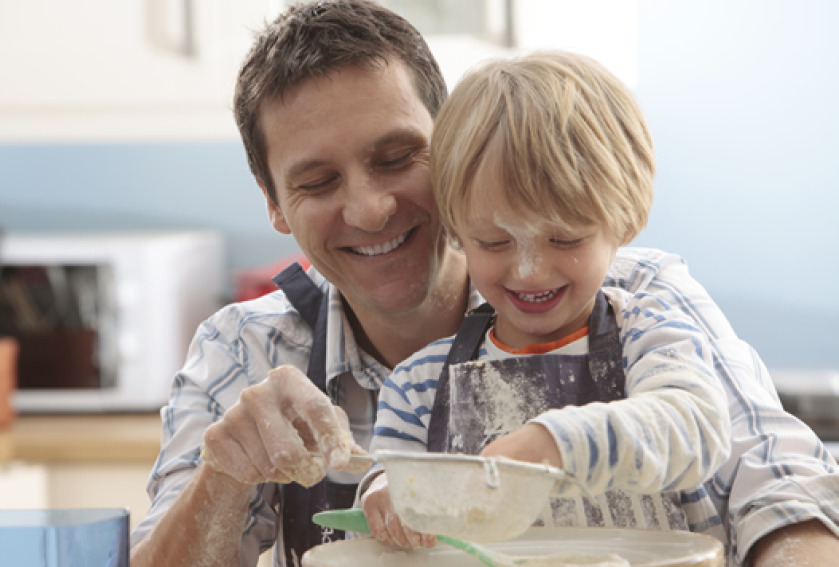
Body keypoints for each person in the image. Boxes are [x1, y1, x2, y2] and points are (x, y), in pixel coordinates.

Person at [128, 2, 839, 567]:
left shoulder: (637, 301)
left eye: (397, 156)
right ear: (273, 201)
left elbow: (780, 493)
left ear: (453, 151)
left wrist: (543, 445)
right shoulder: (246, 351)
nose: (370, 207)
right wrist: (227, 477)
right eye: (317, 181)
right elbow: (391, 474)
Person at [361, 51, 732, 547]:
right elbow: (389, 481)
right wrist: (384, 494)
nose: (530, 270)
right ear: (455, 233)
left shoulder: (649, 336)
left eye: (565, 240)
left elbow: (694, 427)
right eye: (494, 243)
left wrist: (550, 445)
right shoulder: (418, 388)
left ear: (625, 221)